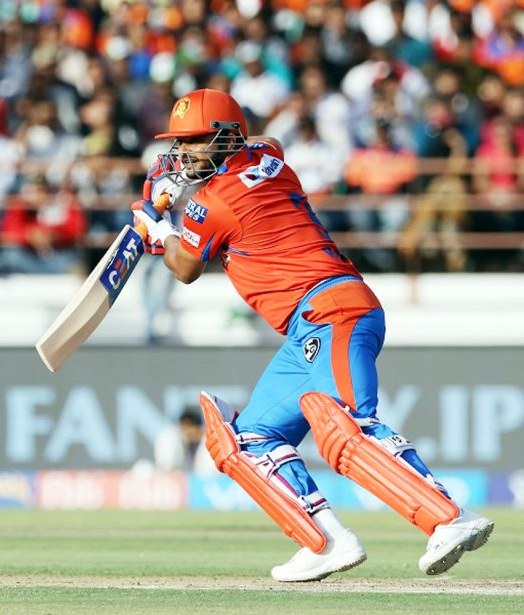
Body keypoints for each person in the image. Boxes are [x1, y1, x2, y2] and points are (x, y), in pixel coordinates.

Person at [131, 89, 493, 582]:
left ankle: (449, 518)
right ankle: (325, 541)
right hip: (309, 327)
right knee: (250, 440)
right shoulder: (270, 157)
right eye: (180, 143)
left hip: (333, 311)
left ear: (227, 136)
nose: (184, 153)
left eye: (196, 141)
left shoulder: (215, 203)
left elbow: (184, 267)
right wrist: (175, 194)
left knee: (348, 427)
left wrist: (157, 225)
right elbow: (267, 140)